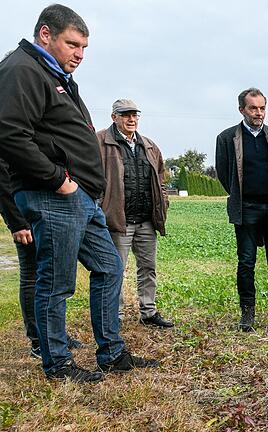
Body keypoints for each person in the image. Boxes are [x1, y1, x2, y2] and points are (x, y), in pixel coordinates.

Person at [0, 4, 158, 382]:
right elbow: (9, 134)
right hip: (53, 195)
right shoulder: (22, 69)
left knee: (110, 266)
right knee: (55, 282)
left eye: (84, 48)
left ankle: (111, 352)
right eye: (73, 44)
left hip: (82, 199)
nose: (80, 55)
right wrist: (59, 180)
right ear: (45, 35)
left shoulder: (54, 73)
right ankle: (57, 363)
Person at [215, 88, 268, 331]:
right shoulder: (227, 138)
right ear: (242, 110)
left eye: (262, 108)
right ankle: (247, 313)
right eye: (253, 108)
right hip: (246, 208)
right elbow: (223, 173)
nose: (258, 113)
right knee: (246, 261)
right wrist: (241, 194)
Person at [96, 99, 173, 328]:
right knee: (115, 270)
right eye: (125, 115)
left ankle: (148, 312)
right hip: (119, 220)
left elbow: (160, 178)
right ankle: (114, 316)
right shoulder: (100, 142)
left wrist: (164, 201)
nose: (131, 119)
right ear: (114, 117)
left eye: (134, 115)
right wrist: (101, 207)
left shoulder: (148, 145)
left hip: (146, 221)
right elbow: (90, 176)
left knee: (148, 267)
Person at [0, 160, 84, 358]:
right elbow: (3, 181)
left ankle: (54, 334)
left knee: (51, 274)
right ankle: (38, 340)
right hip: (24, 214)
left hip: (45, 208)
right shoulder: (9, 136)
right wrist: (16, 222)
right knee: (32, 274)